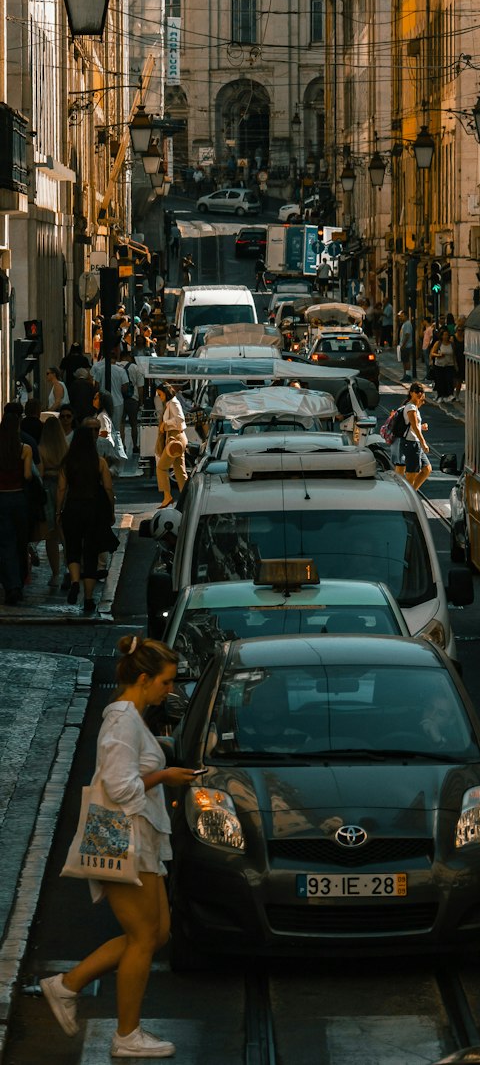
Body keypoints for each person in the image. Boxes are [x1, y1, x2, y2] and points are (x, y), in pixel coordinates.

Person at [40, 635, 199, 1058]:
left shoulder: (131, 717)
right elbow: (120, 786)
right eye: (166, 682)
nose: (172, 689)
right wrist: (165, 777)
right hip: (123, 838)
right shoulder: (123, 720)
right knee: (145, 937)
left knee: (155, 933)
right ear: (145, 678)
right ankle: (126, 1035)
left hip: (137, 838)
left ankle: (66, 985)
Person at [57, 423, 115, 616]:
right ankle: (88, 599)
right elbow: (108, 488)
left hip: (72, 508)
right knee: (91, 553)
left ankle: (75, 582)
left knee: (73, 549)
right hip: (94, 510)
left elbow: (62, 489)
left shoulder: (67, 463)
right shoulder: (99, 462)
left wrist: (58, 511)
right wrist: (111, 511)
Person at [0, 405, 32, 605]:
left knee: (5, 543)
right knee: (21, 542)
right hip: (19, 498)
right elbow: (28, 475)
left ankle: (12, 585)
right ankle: (18, 582)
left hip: (1, 498)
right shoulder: (24, 448)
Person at [38, 415, 69, 588]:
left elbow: (40, 473)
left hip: (48, 489)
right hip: (64, 487)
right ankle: (68, 569)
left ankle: (55, 573)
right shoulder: (65, 447)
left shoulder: (41, 448)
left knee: (51, 533)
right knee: (65, 531)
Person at [154, 384, 187, 508]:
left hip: (175, 438)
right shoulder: (170, 403)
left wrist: (165, 424)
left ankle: (167, 497)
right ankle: (186, 498)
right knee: (179, 470)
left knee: (161, 467)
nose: (159, 396)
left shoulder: (173, 403)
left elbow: (180, 419)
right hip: (176, 438)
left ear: (166, 393)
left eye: (160, 394)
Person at [402, 383, 432, 491]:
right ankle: (408, 496)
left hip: (415, 443)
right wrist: (423, 442)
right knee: (411, 475)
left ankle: (412, 493)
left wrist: (421, 426)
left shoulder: (414, 407)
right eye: (417, 391)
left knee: (427, 469)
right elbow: (414, 426)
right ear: (411, 393)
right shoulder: (411, 407)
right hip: (411, 443)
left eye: (421, 391)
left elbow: (414, 425)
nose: (419, 393)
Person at [429, 325, 458, 402]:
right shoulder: (438, 343)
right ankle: (440, 395)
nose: (446, 336)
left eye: (447, 335)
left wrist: (456, 365)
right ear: (441, 336)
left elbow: (454, 355)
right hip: (439, 365)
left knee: (449, 380)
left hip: (449, 365)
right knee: (440, 381)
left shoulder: (451, 344)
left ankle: (450, 395)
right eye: (444, 335)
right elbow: (432, 353)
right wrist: (438, 355)